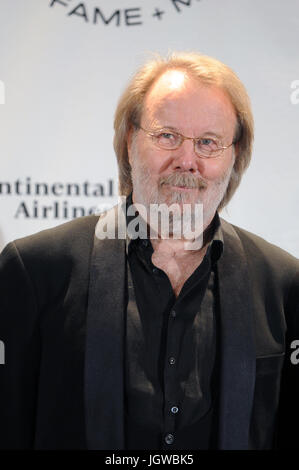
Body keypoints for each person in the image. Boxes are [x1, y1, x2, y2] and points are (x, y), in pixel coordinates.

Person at [0, 52, 298, 450]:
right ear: (128, 141)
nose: (187, 161)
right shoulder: (35, 271)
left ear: (234, 155)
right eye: (167, 136)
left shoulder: (283, 285)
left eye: (209, 142)